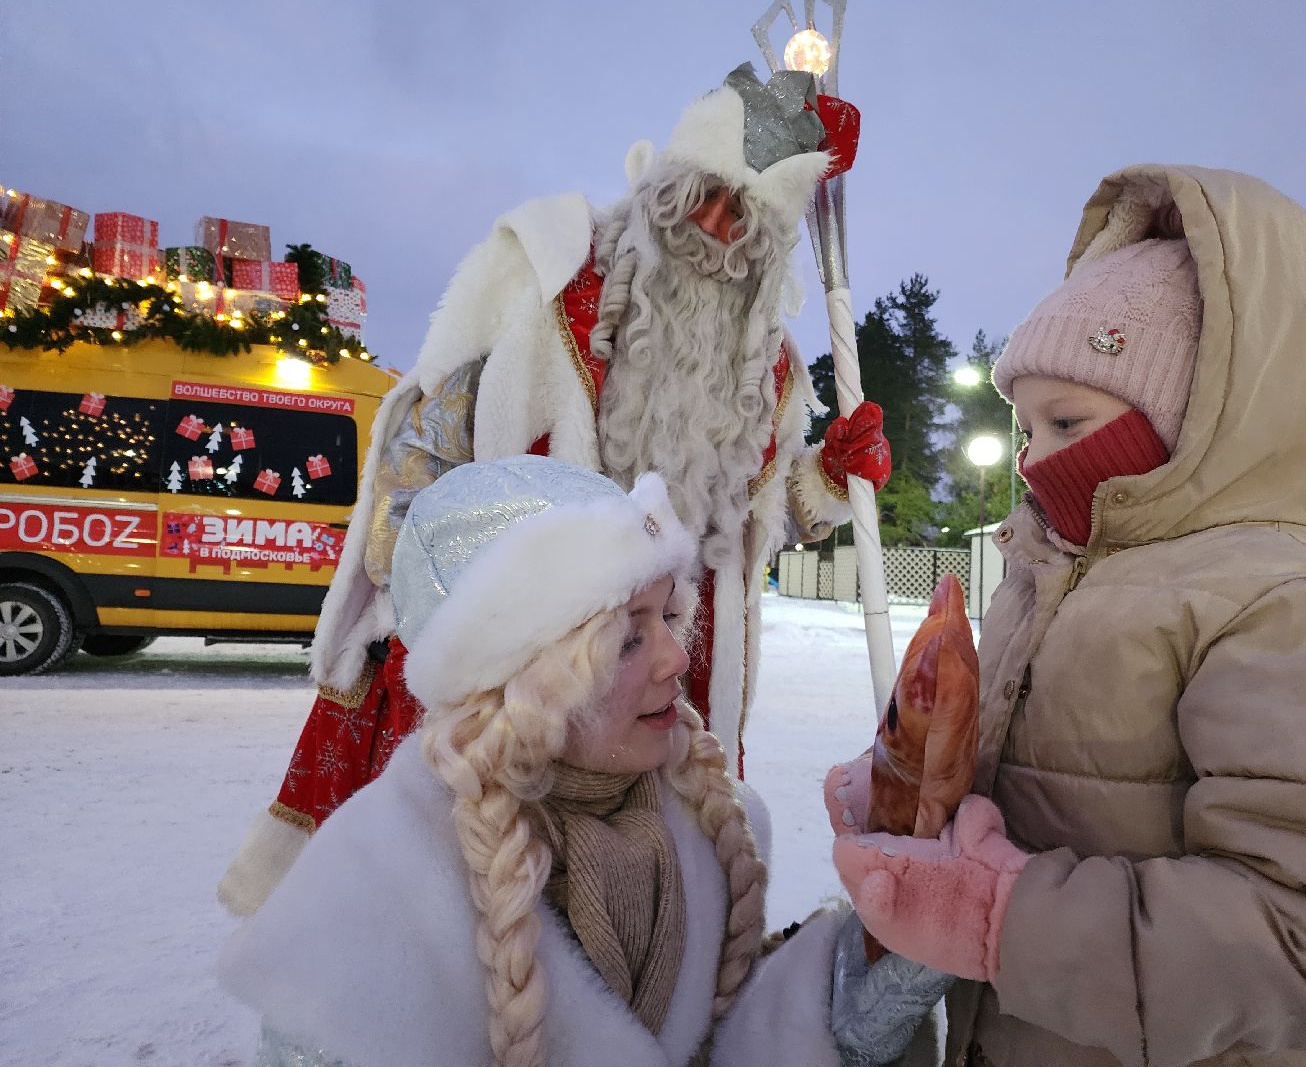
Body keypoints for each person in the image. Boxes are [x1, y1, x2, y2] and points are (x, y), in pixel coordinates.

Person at [218, 63, 890, 916]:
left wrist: (828, 480)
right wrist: (426, 608)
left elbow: (759, 527)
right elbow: (427, 438)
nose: (716, 230)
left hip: (671, 677)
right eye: (704, 197)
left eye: (745, 218)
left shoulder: (775, 374)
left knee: (643, 898)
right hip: (528, 651)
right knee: (480, 892)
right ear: (662, 188)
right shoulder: (552, 284)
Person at [824, 165, 1306, 1067]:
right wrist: (912, 795)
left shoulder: (1303, 613)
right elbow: (1029, 799)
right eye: (1026, 428)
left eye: (1067, 424)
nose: (1035, 462)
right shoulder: (1045, 578)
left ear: (1206, 416)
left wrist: (1004, 917)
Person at [220, 457, 947, 1067]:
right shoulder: (381, 888)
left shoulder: (711, 823)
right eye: (626, 640)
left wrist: (879, 966)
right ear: (522, 683)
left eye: (668, 616)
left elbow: (730, 1034)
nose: (675, 659)